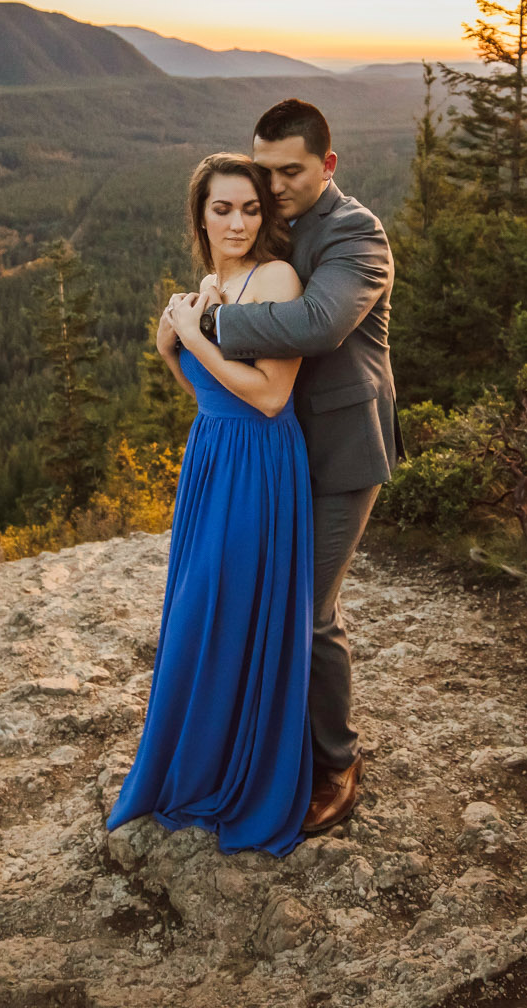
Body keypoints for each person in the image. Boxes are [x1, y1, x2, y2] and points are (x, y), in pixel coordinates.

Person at [104, 152, 317, 856]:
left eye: (251, 209)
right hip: (212, 455)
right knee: (197, 610)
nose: (237, 222)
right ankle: (194, 761)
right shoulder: (208, 283)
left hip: (259, 462)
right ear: (200, 214)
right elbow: (209, 390)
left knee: (222, 608)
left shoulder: (277, 278)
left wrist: (192, 334)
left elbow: (270, 394)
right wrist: (171, 348)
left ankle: (236, 773)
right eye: (222, 209)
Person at [203, 99, 395, 837]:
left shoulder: (356, 233)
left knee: (311, 612)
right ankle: (274, 747)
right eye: (266, 170)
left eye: (292, 170)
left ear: (329, 165)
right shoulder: (272, 224)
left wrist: (208, 321)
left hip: (342, 450)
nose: (275, 185)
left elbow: (320, 324)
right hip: (272, 452)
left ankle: (338, 764)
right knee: (270, 602)